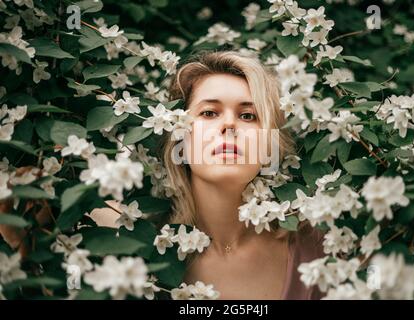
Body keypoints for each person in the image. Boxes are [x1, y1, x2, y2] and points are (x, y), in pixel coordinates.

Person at [0, 50, 325, 300]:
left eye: (249, 115)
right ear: (179, 138)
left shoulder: (318, 249)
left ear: (270, 144)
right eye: (209, 112)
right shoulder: (116, 238)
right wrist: (24, 251)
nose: (229, 125)